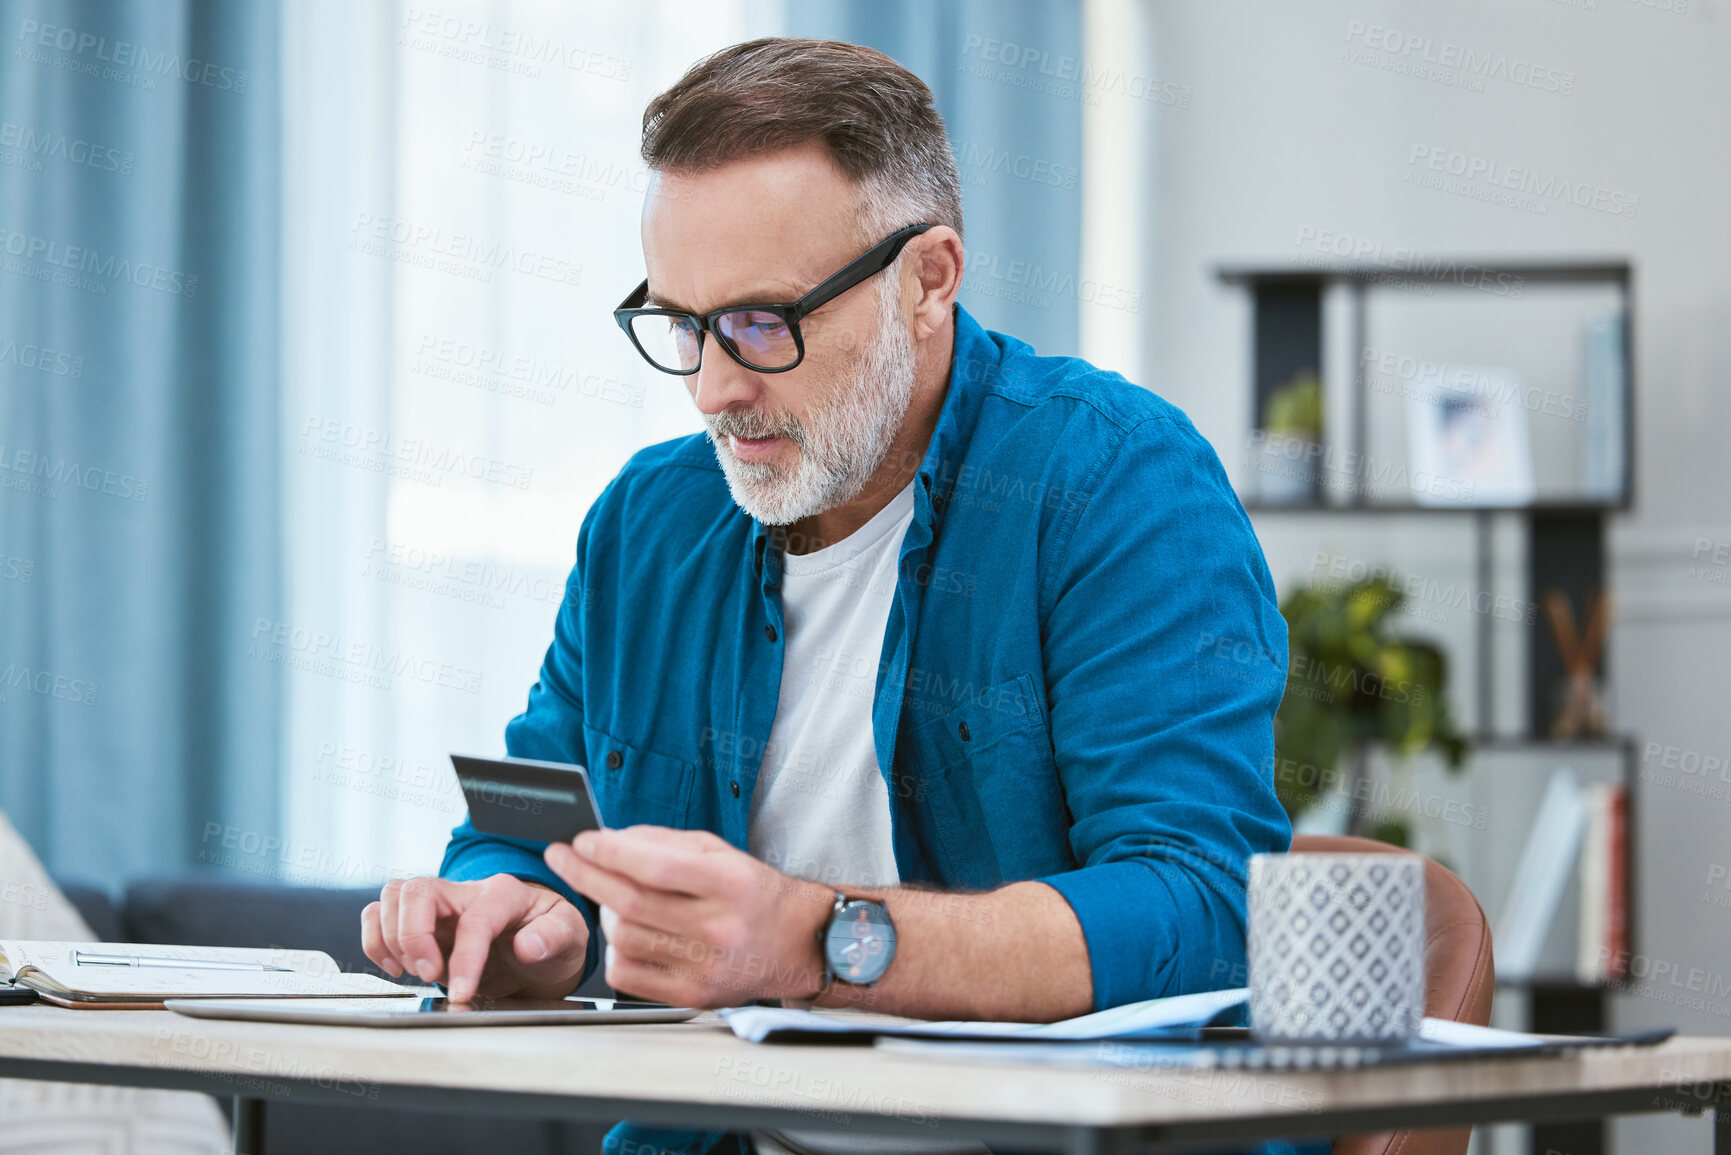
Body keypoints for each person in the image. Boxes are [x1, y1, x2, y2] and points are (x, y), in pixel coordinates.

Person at [362, 37, 1315, 1155]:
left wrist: (818, 940)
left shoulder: (1112, 484)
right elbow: (530, 821)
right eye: (684, 323)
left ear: (929, 279)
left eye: (766, 322)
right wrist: (517, 912)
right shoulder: (647, 523)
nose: (716, 387)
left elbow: (1206, 911)